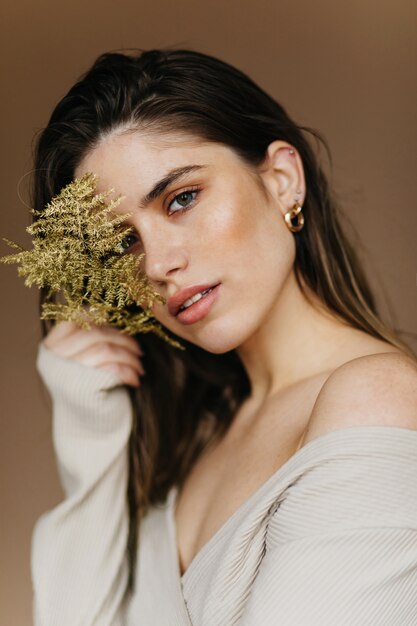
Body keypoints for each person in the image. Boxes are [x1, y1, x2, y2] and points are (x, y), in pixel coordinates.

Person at [31, 48, 417, 625]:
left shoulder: (378, 398)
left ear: (283, 179)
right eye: (122, 242)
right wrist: (91, 429)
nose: (158, 263)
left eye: (181, 199)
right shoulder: (194, 441)